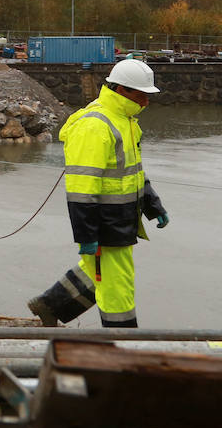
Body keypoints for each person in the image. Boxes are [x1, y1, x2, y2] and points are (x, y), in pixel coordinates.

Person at [27, 59, 168, 327]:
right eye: (142, 96)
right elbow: (82, 190)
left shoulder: (124, 120)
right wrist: (87, 236)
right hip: (105, 224)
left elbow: (133, 172)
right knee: (117, 288)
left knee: (96, 270)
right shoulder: (95, 126)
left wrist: (153, 205)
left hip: (121, 219)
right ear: (122, 90)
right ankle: (121, 341)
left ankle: (49, 305)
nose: (146, 103)